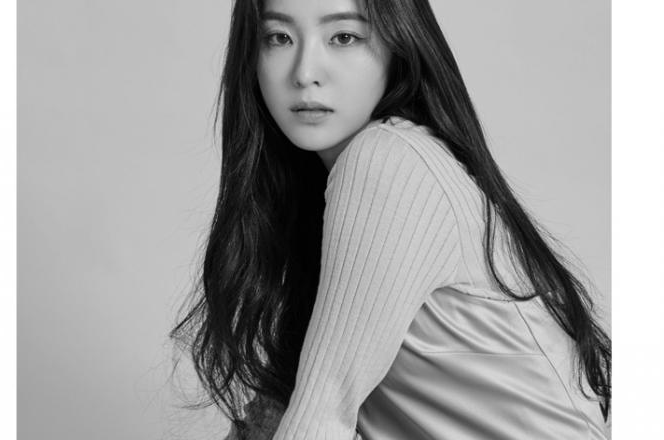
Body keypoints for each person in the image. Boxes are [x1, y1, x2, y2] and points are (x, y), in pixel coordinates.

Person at [170, 0, 611, 438]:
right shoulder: (332, 185)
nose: (304, 73)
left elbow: (321, 418)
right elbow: (281, 411)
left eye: (344, 37)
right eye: (279, 38)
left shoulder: (388, 161)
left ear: (398, 45)